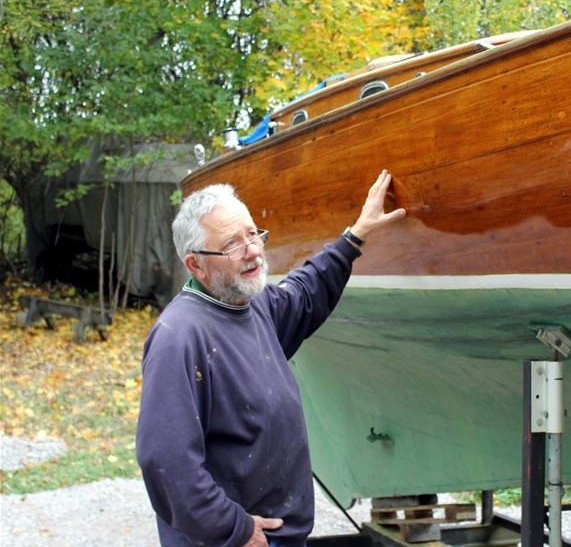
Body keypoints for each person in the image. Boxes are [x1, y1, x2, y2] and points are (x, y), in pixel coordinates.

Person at [136, 170, 406, 547]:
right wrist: (233, 529)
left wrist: (355, 236)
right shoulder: (179, 336)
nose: (252, 250)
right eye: (232, 244)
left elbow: (303, 294)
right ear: (195, 265)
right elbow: (166, 462)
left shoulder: (252, 305)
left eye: (253, 234)